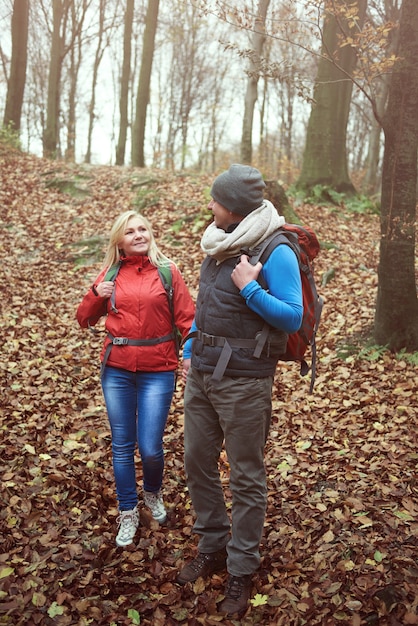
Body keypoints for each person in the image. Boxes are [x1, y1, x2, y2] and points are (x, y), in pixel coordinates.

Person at [177, 164, 303, 617]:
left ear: (233, 207)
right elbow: (207, 307)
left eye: (215, 200)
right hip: (204, 373)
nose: (209, 206)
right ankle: (212, 546)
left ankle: (241, 567)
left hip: (246, 381)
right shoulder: (218, 242)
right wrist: (190, 346)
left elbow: (292, 316)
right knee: (196, 461)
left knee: (246, 474)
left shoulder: (277, 248)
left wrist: (250, 289)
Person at [77, 210, 195, 548]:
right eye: (130, 232)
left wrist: (189, 353)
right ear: (120, 241)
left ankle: (153, 493)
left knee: (151, 447)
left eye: (143, 228)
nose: (138, 235)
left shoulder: (168, 272)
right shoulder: (111, 274)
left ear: (151, 234)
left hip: (158, 369)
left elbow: (189, 319)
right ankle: (128, 509)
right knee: (122, 446)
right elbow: (84, 319)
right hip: (117, 369)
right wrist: (96, 293)